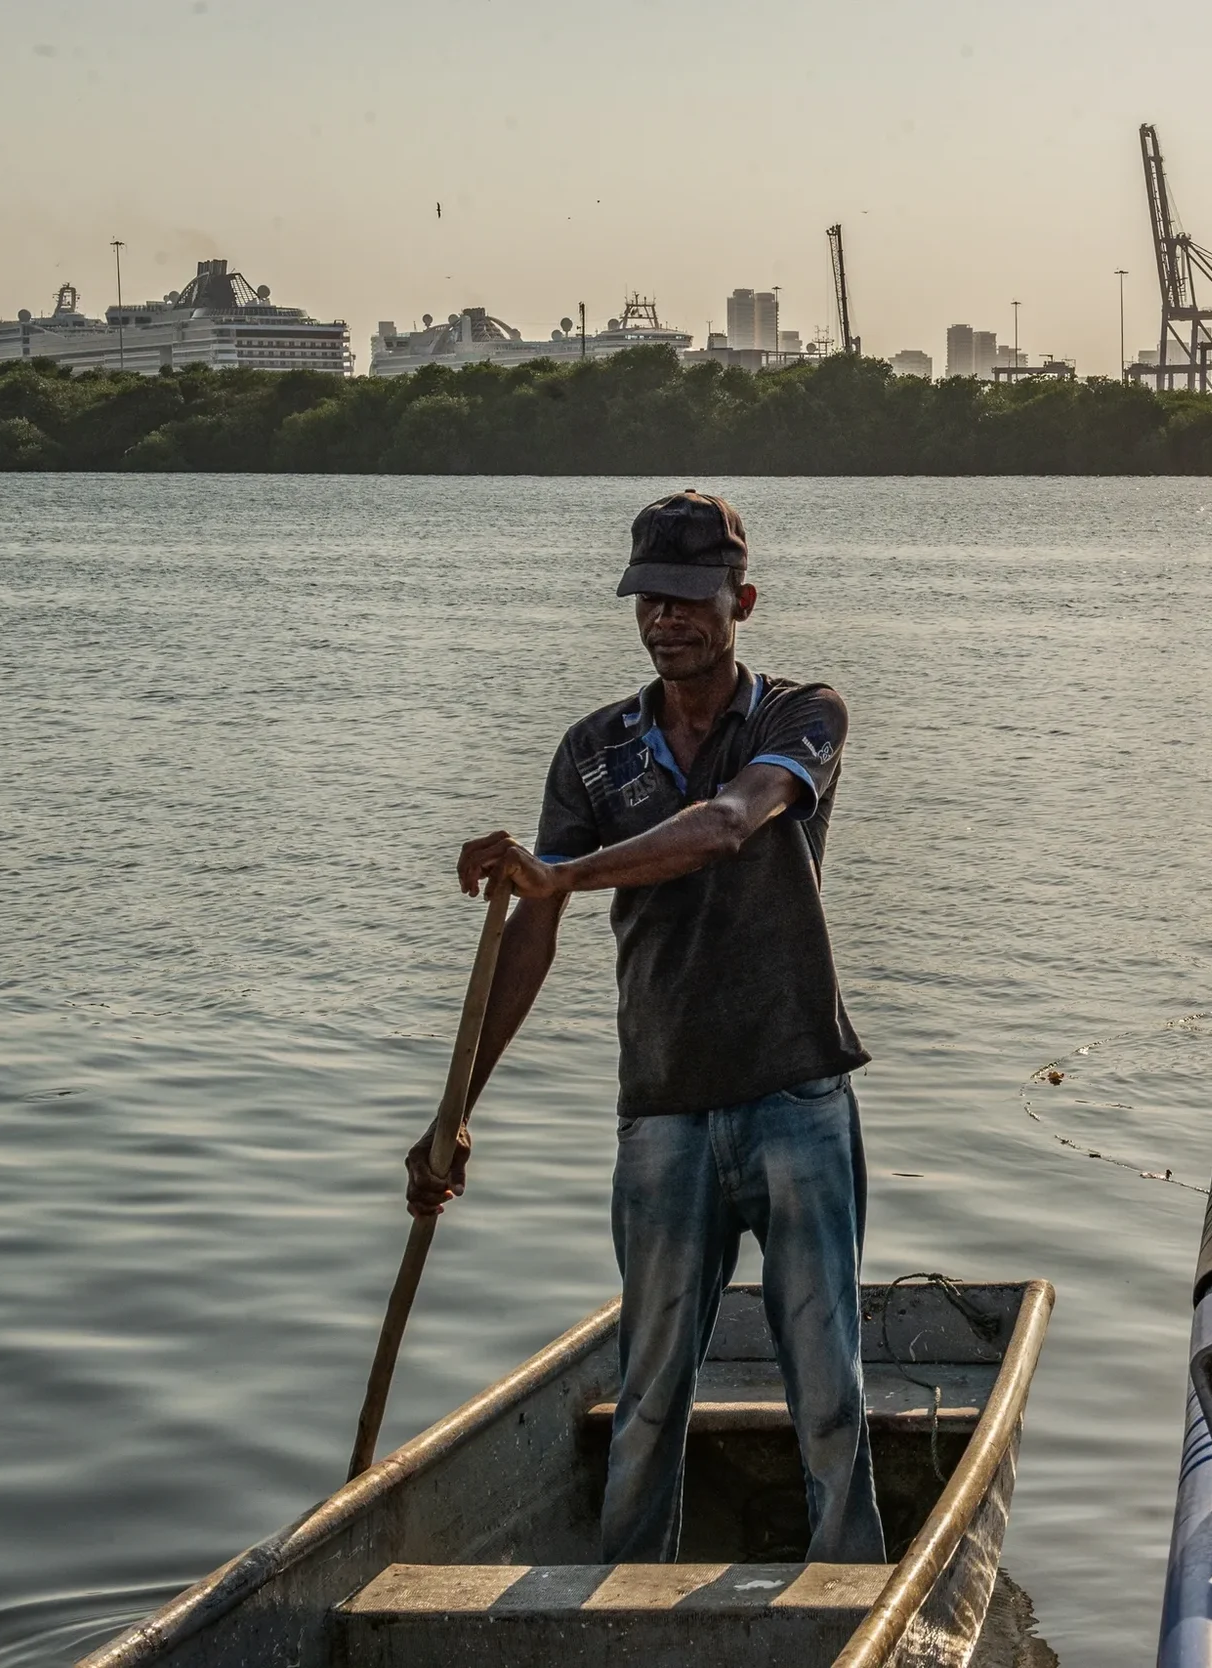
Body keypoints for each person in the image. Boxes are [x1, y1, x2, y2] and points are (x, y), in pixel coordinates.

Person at [407, 490, 883, 1564]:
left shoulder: (800, 716)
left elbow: (727, 826)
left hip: (794, 1093)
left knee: (827, 1390)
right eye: (648, 599)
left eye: (688, 598)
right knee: (648, 1393)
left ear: (739, 603)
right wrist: (455, 1114)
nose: (666, 618)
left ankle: (850, 1587)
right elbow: (531, 933)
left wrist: (562, 873)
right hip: (662, 1108)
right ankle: (624, 1602)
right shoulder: (595, 750)